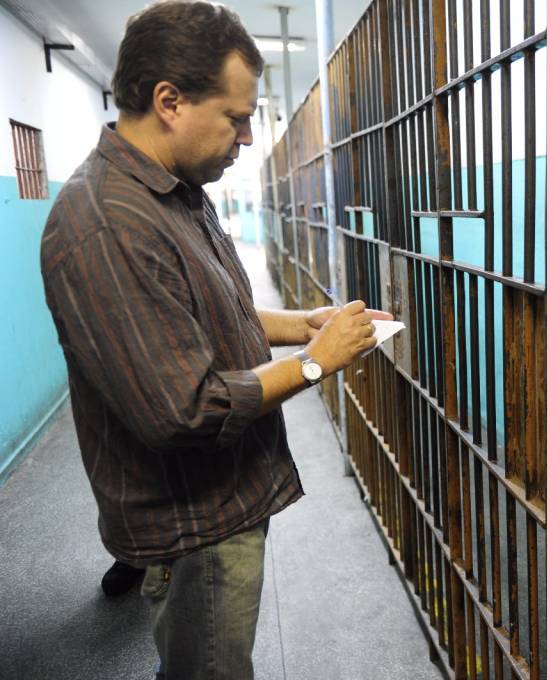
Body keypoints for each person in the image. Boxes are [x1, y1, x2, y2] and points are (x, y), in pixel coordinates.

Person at [40, 2, 389, 678]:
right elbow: (185, 411)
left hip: (217, 502)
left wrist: (303, 324)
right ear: (169, 101)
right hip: (191, 523)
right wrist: (316, 366)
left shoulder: (176, 191)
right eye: (235, 117)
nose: (248, 138)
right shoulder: (107, 223)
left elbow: (213, 309)